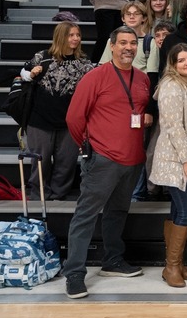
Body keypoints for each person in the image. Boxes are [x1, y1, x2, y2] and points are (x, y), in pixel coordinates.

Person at [64, 27, 151, 299]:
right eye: (122, 43)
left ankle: (112, 261)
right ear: (112, 46)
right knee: (86, 216)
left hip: (133, 158)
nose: (128, 47)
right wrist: (92, 146)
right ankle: (74, 273)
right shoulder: (95, 77)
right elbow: (74, 119)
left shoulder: (142, 78)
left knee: (117, 212)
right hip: (102, 159)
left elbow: (138, 110)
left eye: (133, 43)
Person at [149, 43, 187, 288]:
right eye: (181, 59)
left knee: (177, 211)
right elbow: (173, 127)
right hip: (180, 160)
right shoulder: (171, 86)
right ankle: (171, 266)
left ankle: (176, 264)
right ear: (172, 64)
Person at [20, 22, 94, 200]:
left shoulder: (84, 63)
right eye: (71, 35)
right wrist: (30, 75)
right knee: (40, 161)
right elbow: (23, 72)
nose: (75, 38)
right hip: (40, 120)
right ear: (61, 37)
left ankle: (59, 195)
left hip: (69, 122)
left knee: (66, 163)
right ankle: (39, 195)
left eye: (77, 35)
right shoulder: (43, 56)